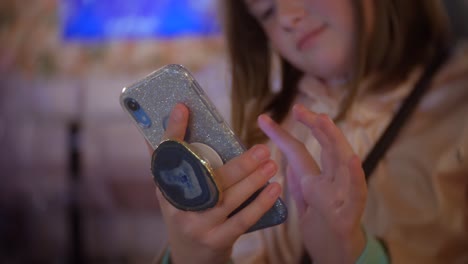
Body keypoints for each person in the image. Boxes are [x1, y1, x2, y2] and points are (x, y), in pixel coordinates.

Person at [155, 0, 468, 263]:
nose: (288, 17)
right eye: (266, 11)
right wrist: (191, 255)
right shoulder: (266, 130)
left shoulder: (456, 102)